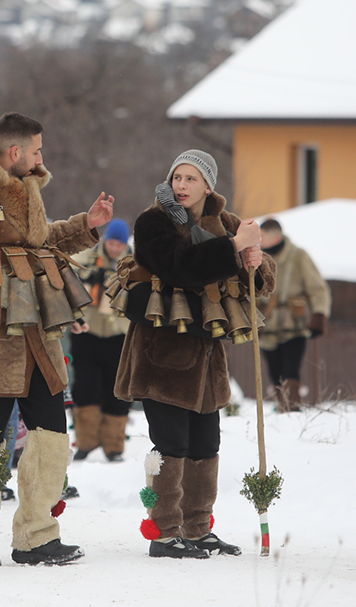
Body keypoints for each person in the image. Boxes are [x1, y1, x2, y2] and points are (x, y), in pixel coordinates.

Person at [0, 112, 114, 567]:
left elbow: (41, 242)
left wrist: (85, 227)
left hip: (37, 332)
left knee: (52, 432)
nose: (41, 158)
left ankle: (36, 536)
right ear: (14, 152)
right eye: (36, 150)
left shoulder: (27, 188)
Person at [114, 149, 274, 559]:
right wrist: (234, 247)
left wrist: (255, 262)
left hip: (205, 355)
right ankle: (164, 533)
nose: (181, 186)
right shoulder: (153, 222)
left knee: (206, 443)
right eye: (177, 177)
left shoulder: (226, 224)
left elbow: (262, 280)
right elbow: (182, 266)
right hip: (161, 350)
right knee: (171, 443)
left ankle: (198, 528)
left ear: (208, 185)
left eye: (191, 179)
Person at [68, 218, 133, 461]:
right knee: (84, 386)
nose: (116, 248)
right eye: (113, 242)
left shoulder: (134, 264)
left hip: (119, 334)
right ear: (106, 240)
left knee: (117, 389)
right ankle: (85, 442)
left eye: (120, 244)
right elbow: (68, 284)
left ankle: (113, 445)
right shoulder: (85, 258)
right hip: (87, 332)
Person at [257, 218, 331, 412]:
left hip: (295, 323)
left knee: (291, 371)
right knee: (274, 372)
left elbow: (318, 288)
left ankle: (292, 409)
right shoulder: (257, 257)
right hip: (268, 324)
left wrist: (319, 315)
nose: (259, 240)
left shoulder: (298, 256)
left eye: (262, 237)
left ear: (275, 237)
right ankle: (283, 406)